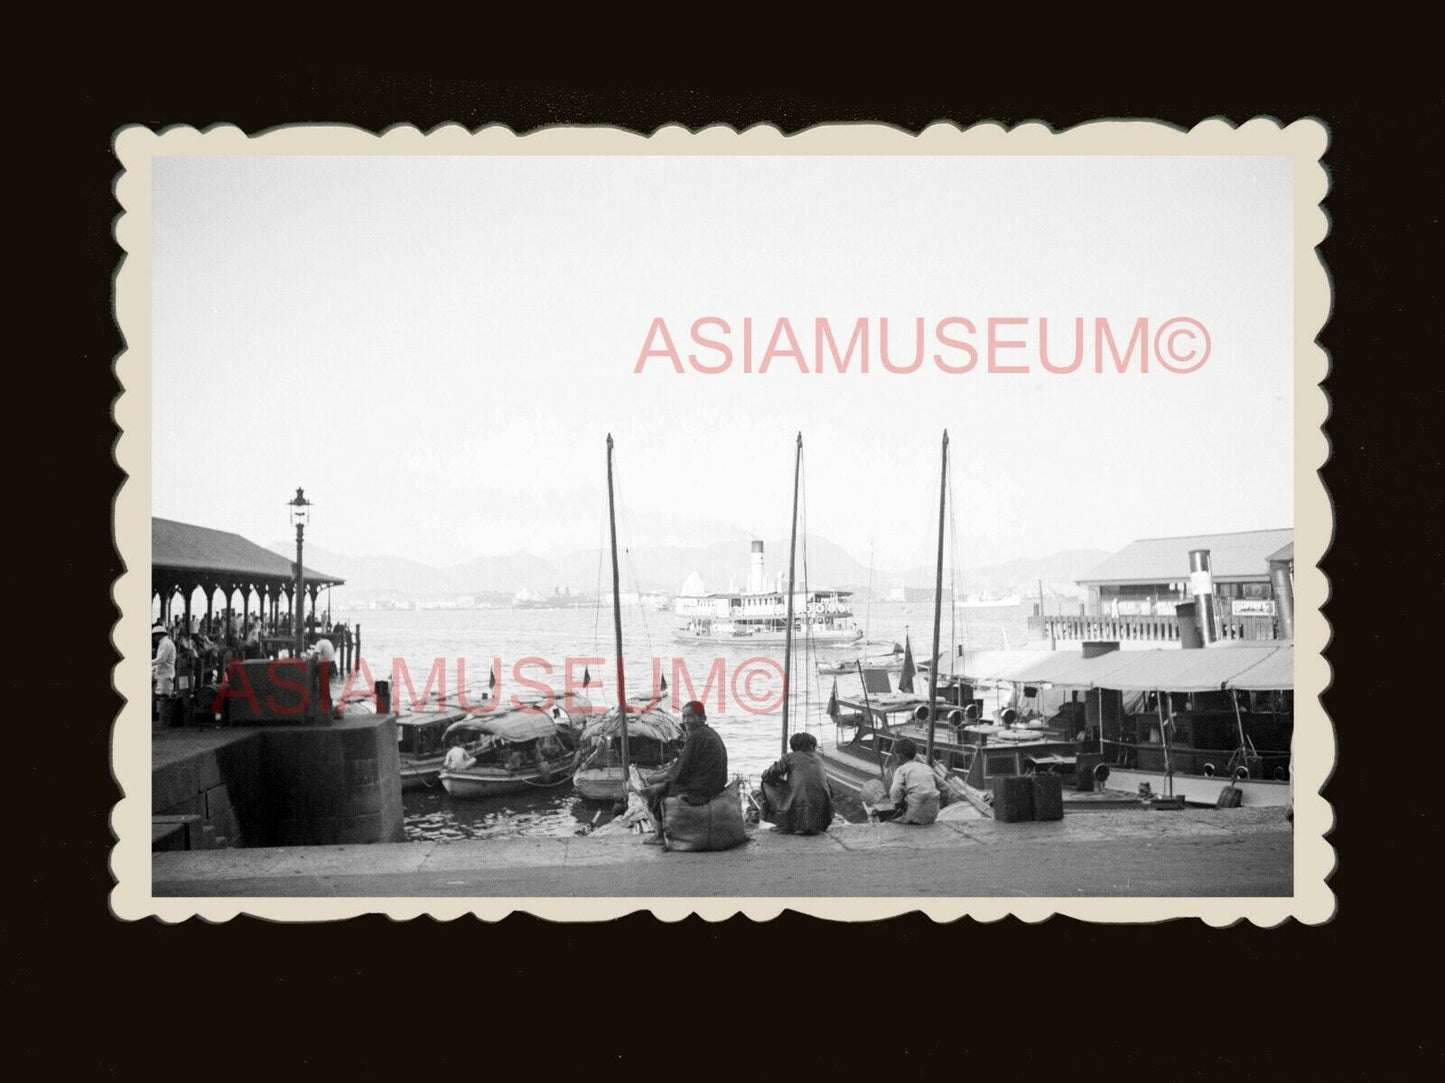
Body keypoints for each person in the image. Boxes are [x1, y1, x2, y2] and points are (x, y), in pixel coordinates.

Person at [639, 700, 728, 845]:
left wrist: (660, 778)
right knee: (664, 783)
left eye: (691, 716)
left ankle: (659, 835)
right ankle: (660, 789)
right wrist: (664, 774)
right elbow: (684, 763)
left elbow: (681, 770)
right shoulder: (708, 733)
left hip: (704, 787)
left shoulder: (696, 736)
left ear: (702, 718)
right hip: (712, 783)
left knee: (657, 794)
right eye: (684, 717)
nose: (686, 721)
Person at [759, 731, 834, 835]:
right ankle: (809, 823)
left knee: (765, 783)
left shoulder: (789, 757)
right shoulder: (819, 760)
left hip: (799, 804)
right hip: (823, 816)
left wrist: (781, 782)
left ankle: (783, 824)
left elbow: (767, 775)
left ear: (794, 746)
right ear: (812, 745)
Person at [886, 738, 940, 825]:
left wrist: (895, 806)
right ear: (915, 754)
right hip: (933, 815)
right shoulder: (926, 767)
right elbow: (945, 788)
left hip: (915, 816)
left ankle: (907, 818)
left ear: (899, 755)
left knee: (893, 819)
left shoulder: (901, 770)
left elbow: (895, 790)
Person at [152, 623, 176, 726]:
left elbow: (161, 659)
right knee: (161, 697)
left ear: (158, 635)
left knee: (162, 697)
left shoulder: (165, 644)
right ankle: (162, 720)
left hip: (165, 675)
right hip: (164, 674)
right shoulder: (165, 643)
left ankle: (162, 721)